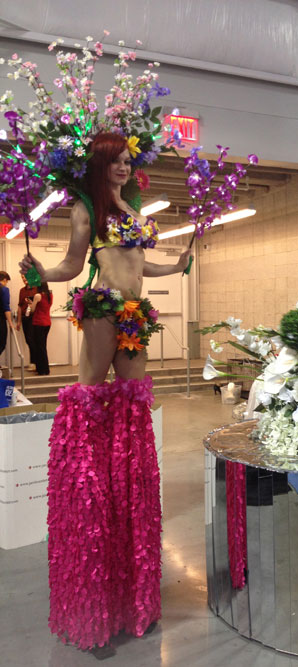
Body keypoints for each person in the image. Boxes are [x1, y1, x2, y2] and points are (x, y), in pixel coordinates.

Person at [20, 132, 191, 656]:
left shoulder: (131, 207)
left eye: (127, 161)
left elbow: (143, 263)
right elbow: (75, 264)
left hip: (136, 312)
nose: (123, 168)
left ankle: (127, 482)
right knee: (89, 394)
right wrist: (42, 273)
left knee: (138, 395)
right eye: (115, 162)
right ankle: (86, 476)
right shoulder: (85, 209)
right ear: (100, 164)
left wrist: (176, 266)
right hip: (99, 306)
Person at [29, 282, 53, 375]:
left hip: (38, 322)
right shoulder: (50, 295)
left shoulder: (37, 295)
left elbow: (33, 310)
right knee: (42, 346)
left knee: (39, 346)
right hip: (47, 322)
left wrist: (31, 304)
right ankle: (44, 369)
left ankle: (43, 370)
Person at [16, 273, 37, 371]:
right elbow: (20, 307)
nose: (24, 279)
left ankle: (35, 363)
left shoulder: (37, 289)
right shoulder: (22, 290)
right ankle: (34, 362)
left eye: (25, 277)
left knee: (33, 340)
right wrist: (19, 321)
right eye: (22, 277)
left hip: (35, 318)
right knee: (28, 340)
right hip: (25, 318)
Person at [0, 271, 14, 358]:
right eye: (7, 282)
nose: (6, 284)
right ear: (5, 280)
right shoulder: (4, 289)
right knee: (1, 343)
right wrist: (10, 323)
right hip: (0, 320)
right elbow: (6, 307)